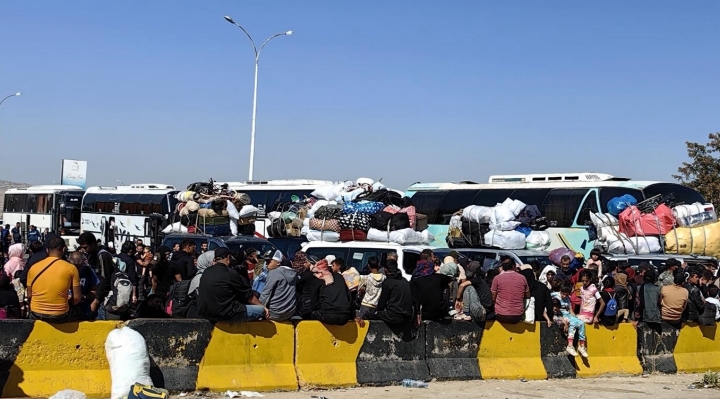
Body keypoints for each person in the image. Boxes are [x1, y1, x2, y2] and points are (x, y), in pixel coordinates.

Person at [197, 248, 268, 322]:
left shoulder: (206, 272)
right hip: (225, 314)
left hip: (206, 313)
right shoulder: (230, 273)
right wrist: (262, 306)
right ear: (228, 257)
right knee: (261, 311)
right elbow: (247, 296)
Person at [26, 237, 81, 323]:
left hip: (36, 313)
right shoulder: (71, 268)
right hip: (60, 315)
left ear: (47, 250)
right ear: (63, 249)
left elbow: (29, 295)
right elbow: (77, 298)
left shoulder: (33, 268)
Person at [365, 260, 420, 327]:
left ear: (385, 270)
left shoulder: (388, 282)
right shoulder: (405, 281)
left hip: (394, 316)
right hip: (407, 316)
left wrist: (377, 312)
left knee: (367, 315)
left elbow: (382, 304)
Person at [411, 249, 454, 321]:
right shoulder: (435, 276)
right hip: (435, 309)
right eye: (433, 256)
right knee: (445, 287)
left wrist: (417, 312)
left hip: (422, 307)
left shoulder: (416, 274)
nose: (435, 258)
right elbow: (448, 279)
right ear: (430, 259)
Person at [311, 259, 354, 325]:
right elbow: (349, 297)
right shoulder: (339, 277)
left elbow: (314, 300)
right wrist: (353, 316)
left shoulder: (318, 279)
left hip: (327, 315)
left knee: (312, 314)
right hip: (345, 317)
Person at [260, 250, 298, 321]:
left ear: (278, 262)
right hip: (290, 312)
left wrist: (258, 307)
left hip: (275, 313)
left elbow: (265, 294)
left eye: (269, 262)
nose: (266, 264)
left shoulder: (274, 273)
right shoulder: (293, 273)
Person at [491, 256, 530, 324]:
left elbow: (493, 297)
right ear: (514, 266)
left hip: (501, 315)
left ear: (502, 268)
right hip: (518, 316)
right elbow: (528, 295)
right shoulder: (522, 278)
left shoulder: (497, 278)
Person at [67, 251, 100, 320]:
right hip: (67, 308)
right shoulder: (64, 271)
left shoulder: (88, 271)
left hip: (84, 309)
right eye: (74, 266)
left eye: (79, 266)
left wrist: (85, 297)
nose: (77, 269)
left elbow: (95, 291)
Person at [294, 252, 323, 320]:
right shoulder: (321, 274)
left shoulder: (307, 274)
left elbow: (295, 281)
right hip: (317, 303)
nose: (304, 264)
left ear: (310, 263)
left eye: (306, 262)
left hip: (306, 303)